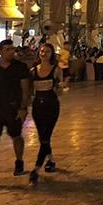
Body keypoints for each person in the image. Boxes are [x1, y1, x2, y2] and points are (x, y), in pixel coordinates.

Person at [0, 40, 32, 190]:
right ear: (0, 51)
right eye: (8, 49)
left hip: (13, 107)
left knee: (16, 136)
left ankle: (19, 160)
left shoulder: (20, 67)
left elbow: (25, 88)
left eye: (13, 49)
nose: (12, 52)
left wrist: (23, 107)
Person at [28, 44, 63, 185]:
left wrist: (60, 86)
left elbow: (59, 91)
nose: (44, 53)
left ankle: (36, 169)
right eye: (42, 51)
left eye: (47, 51)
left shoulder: (56, 70)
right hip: (37, 106)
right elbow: (30, 90)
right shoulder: (33, 71)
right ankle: (51, 159)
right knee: (42, 135)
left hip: (51, 105)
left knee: (45, 135)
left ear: (51, 53)